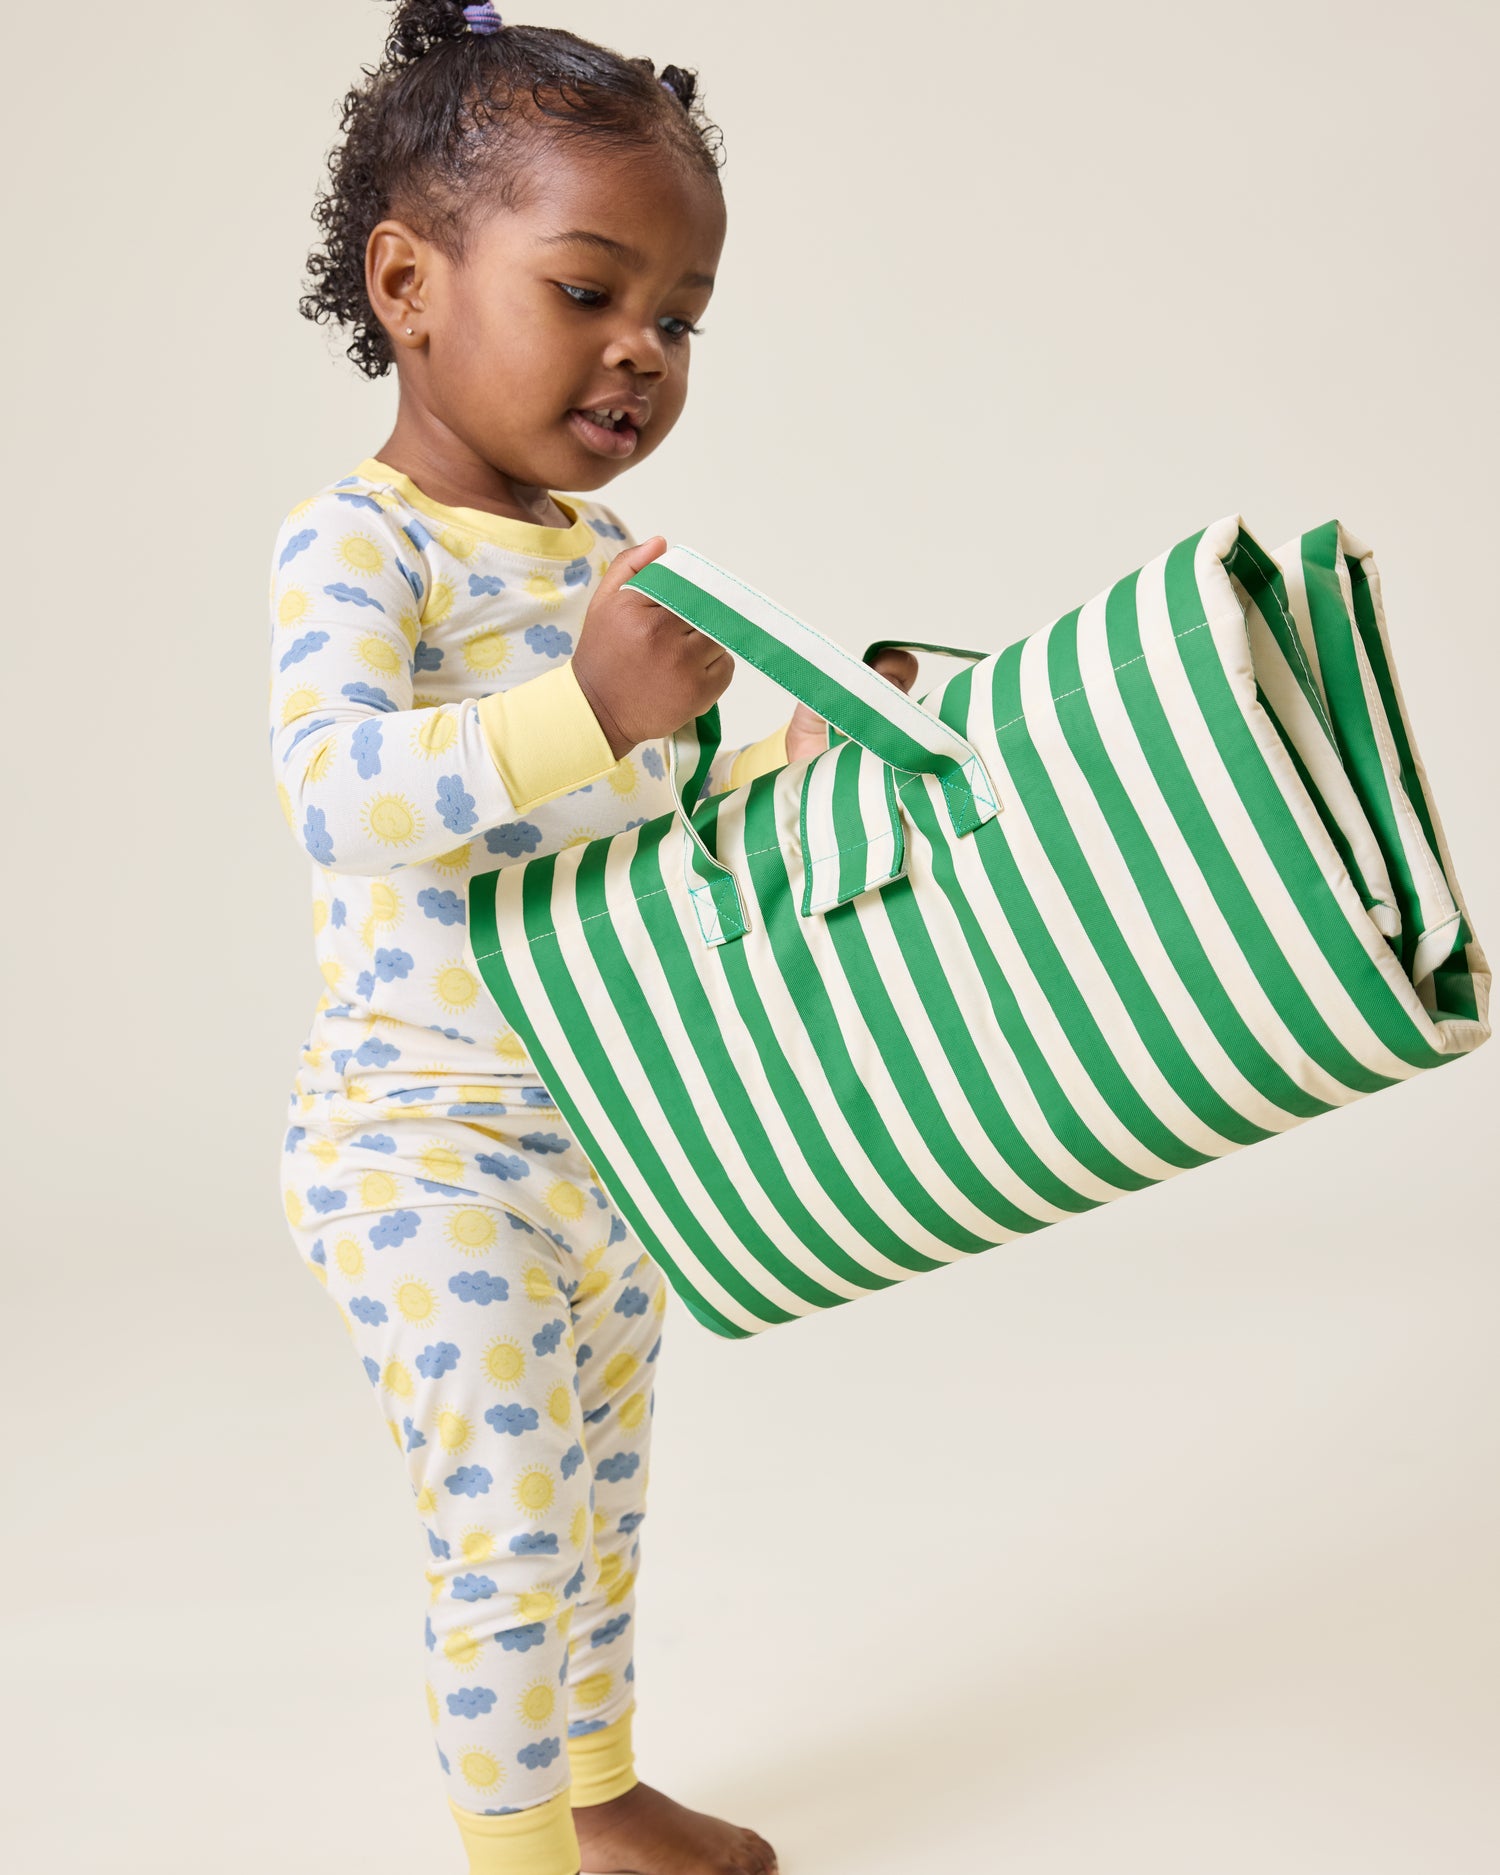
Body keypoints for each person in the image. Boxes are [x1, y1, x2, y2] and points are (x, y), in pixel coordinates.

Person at [271, 7, 917, 1871]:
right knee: (510, 1529)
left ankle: (600, 1792)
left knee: (601, 1511)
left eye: (680, 317)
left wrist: (800, 761)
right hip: (421, 1148)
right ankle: (516, 1859)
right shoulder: (361, 546)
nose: (641, 347)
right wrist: (593, 708)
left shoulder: (611, 560)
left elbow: (671, 838)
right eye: (588, 290)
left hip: (611, 1135)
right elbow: (339, 790)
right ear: (408, 283)